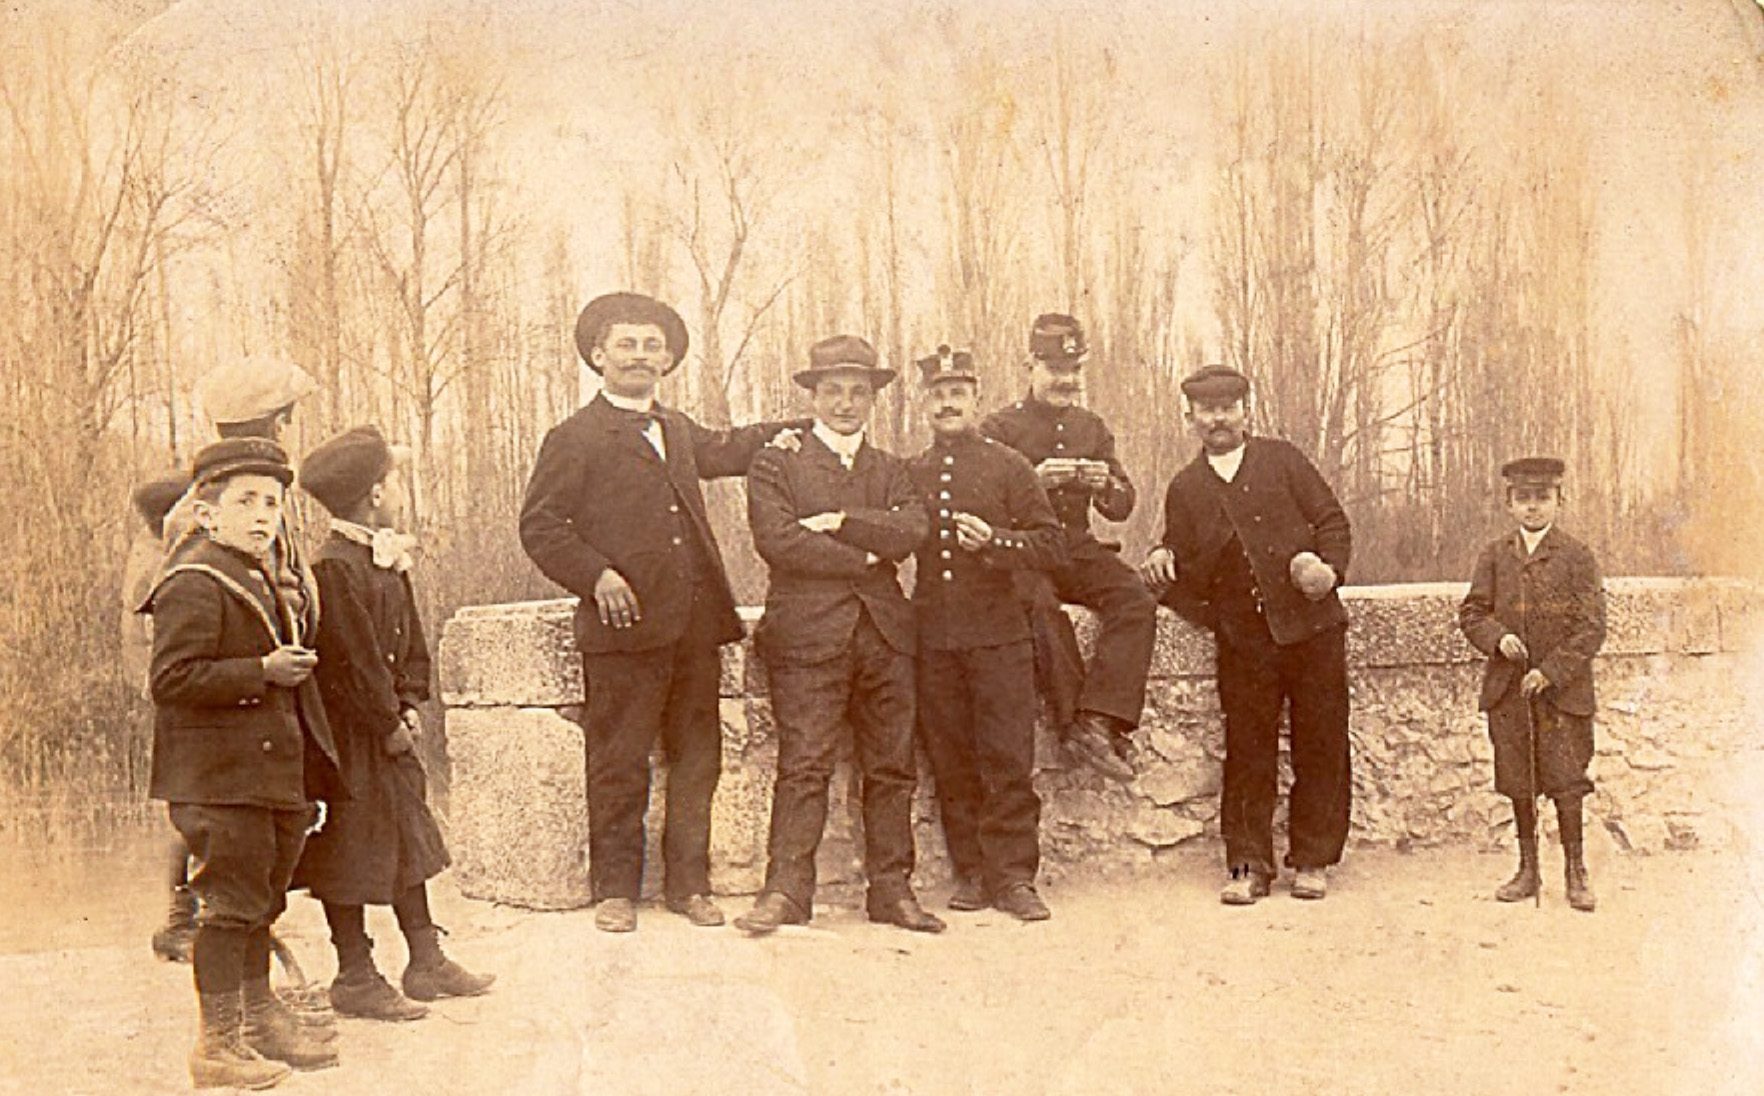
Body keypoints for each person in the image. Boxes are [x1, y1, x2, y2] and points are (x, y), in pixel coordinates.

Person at [519, 291, 804, 933]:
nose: (640, 356)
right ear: (598, 355)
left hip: (694, 627)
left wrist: (799, 427)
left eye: (652, 346)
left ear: (668, 358)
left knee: (698, 757)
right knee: (618, 760)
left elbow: (729, 449)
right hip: (621, 630)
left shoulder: (677, 429)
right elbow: (540, 526)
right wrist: (597, 575)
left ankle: (689, 886)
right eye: (627, 344)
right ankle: (615, 891)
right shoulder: (572, 437)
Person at [144, 438, 343, 1088]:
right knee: (229, 907)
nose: (263, 516)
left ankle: (260, 1021)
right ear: (206, 515)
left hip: (268, 776)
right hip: (219, 779)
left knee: (261, 901)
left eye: (272, 503)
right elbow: (172, 678)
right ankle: (217, 1045)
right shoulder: (194, 580)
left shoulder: (257, 572)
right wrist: (261, 670)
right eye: (246, 502)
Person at [733, 336, 944, 936]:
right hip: (806, 635)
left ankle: (892, 889)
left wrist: (845, 524)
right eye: (833, 391)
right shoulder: (777, 462)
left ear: (873, 398)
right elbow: (778, 541)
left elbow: (912, 531)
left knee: (892, 766)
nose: (846, 403)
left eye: (858, 391)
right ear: (813, 396)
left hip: (885, 635)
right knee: (804, 764)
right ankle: (787, 891)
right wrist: (867, 558)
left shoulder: (892, 469)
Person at [293, 426, 496, 1018]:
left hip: (389, 727)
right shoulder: (334, 567)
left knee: (409, 834)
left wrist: (411, 699)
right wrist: (386, 722)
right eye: (396, 479)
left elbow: (411, 643)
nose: (402, 489)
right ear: (376, 494)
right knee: (349, 850)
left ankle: (426, 958)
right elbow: (350, 662)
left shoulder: (386, 556)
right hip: (350, 739)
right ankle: (354, 971)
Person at [1141, 364, 1353, 906]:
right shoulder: (1186, 487)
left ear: (1246, 411)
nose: (1218, 419)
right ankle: (1248, 865)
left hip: (1313, 629)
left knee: (1321, 742)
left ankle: (1312, 860)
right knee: (1247, 749)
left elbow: (1333, 521)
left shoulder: (1283, 460)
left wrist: (1328, 570)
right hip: (1245, 642)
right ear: (1190, 418)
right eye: (1207, 410)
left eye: (1228, 407)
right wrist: (1165, 561)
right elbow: (1179, 560)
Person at [150, 356, 321, 965]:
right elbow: (197, 615)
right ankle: (194, 921)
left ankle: (243, 952)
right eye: (285, 419)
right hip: (225, 704)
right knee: (223, 831)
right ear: (268, 422)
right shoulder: (205, 515)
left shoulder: (258, 497)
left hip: (262, 694)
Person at [909, 345, 1066, 921]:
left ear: (976, 399)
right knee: (951, 759)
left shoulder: (1009, 466)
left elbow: (1051, 543)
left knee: (1006, 757)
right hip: (935, 641)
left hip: (1001, 637)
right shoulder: (914, 471)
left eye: (958, 392)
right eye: (938, 393)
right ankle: (972, 872)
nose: (948, 402)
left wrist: (996, 543)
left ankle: (1015, 877)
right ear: (924, 404)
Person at [981, 313, 1156, 782]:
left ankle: (1100, 717)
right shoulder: (999, 428)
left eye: (1074, 370)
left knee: (1135, 599)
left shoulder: (1091, 427)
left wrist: (1106, 486)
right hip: (1023, 550)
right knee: (1041, 608)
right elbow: (979, 504)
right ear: (1030, 366)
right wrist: (1032, 481)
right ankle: (1074, 723)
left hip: (1075, 548)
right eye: (1056, 369)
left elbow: (1122, 506)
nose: (1067, 380)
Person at [1458, 456, 1607, 912]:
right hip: (1509, 691)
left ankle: (1576, 872)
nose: (1533, 508)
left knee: (1567, 781)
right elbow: (1472, 613)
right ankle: (1527, 870)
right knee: (1519, 781)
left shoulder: (1578, 556)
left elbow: (1591, 626)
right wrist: (1497, 638)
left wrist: (1550, 671)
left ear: (1559, 500)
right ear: (1509, 503)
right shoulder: (1495, 555)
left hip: (1563, 695)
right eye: (1523, 498)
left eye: (1543, 498)